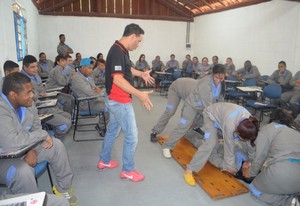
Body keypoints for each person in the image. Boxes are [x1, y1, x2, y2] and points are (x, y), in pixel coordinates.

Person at [0, 72, 78, 205]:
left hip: (25, 148)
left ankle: (63, 189)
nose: (32, 95)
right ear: (13, 95)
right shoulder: (2, 109)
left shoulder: (29, 105)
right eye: (29, 92)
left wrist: (32, 150)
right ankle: (33, 201)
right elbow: (12, 143)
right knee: (23, 171)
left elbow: (36, 127)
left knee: (56, 145)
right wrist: (41, 135)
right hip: (4, 159)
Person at [98, 23, 154, 182]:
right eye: (139, 40)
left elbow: (127, 70)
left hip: (116, 100)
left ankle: (104, 160)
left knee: (113, 130)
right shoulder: (117, 51)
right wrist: (139, 94)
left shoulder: (122, 50)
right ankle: (128, 171)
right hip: (119, 101)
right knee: (132, 136)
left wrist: (141, 74)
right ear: (132, 37)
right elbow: (118, 79)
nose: (139, 44)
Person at [183, 102, 258, 186]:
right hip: (211, 116)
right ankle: (189, 170)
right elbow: (229, 146)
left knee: (212, 143)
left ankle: (199, 137)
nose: (247, 167)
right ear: (237, 131)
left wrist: (251, 160)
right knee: (209, 144)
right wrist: (230, 166)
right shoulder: (235, 126)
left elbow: (251, 144)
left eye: (248, 170)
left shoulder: (250, 126)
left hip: (224, 118)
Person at [162, 64, 226, 158]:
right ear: (213, 74)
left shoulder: (222, 84)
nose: (218, 80)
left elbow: (220, 100)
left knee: (198, 123)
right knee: (184, 125)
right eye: (216, 77)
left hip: (203, 107)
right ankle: (167, 146)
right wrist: (217, 120)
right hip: (192, 105)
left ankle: (190, 132)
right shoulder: (205, 83)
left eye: (221, 78)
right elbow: (207, 105)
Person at [242, 109, 300, 206]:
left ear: (272, 118)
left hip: (284, 172)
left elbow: (259, 158)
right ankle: (292, 193)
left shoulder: (268, 128)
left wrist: (250, 172)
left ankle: (290, 202)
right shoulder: (295, 131)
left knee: (254, 189)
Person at [21, 55, 72, 139]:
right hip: (36, 109)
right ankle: (56, 139)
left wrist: (40, 92)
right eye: (32, 67)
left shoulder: (35, 75)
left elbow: (41, 90)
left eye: (36, 66)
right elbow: (34, 96)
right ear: (25, 67)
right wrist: (39, 93)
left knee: (68, 116)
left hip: (42, 102)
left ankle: (55, 135)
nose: (36, 69)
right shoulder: (22, 80)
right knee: (65, 123)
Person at [150, 77, 198, 142]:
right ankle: (154, 132)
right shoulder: (197, 94)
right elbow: (185, 111)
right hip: (175, 88)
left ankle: (194, 127)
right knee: (170, 111)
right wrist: (184, 125)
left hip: (186, 89)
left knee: (197, 111)